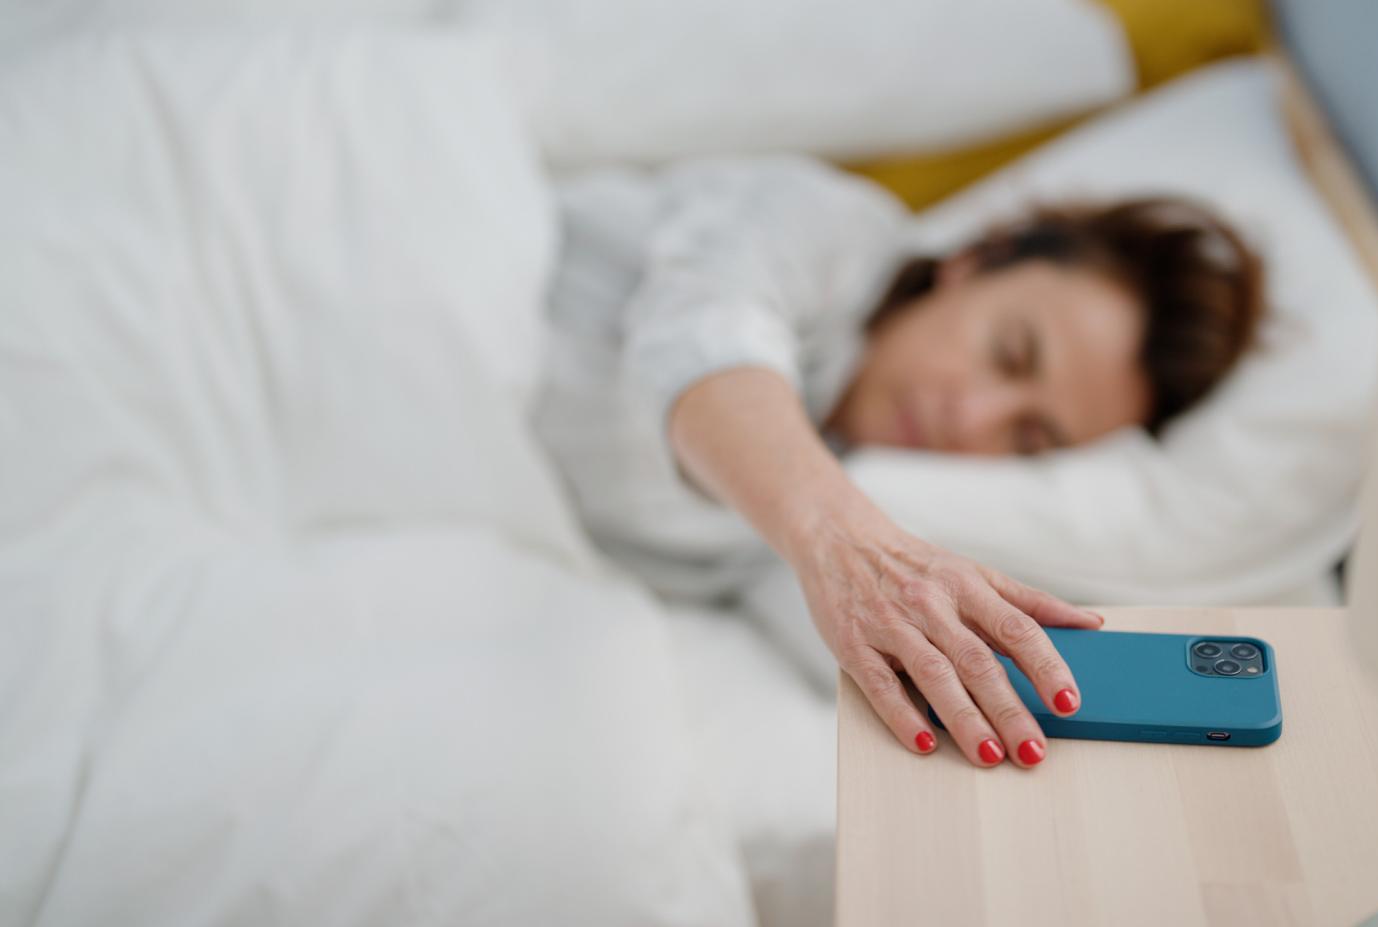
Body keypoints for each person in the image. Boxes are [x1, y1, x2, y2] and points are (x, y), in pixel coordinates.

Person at [535, 156, 1262, 769]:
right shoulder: (825, 227)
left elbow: (804, 620)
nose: (973, 418)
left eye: (1029, 437)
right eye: (1008, 353)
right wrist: (840, 544)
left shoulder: (877, 487)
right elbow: (697, 340)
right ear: (974, 262)